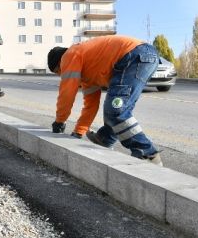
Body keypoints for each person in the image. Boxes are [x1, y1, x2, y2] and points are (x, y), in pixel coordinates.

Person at [47, 35, 163, 166]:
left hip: (134, 55)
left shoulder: (69, 55)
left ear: (60, 63)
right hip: (141, 57)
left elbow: (66, 93)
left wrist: (59, 121)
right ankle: (105, 138)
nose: (61, 75)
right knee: (115, 108)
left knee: (115, 110)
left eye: (58, 71)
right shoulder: (88, 72)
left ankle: (148, 153)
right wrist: (78, 133)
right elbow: (91, 106)